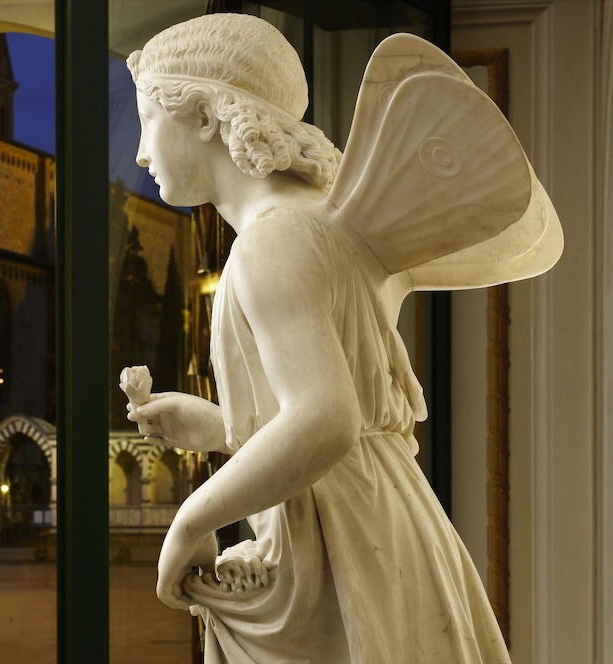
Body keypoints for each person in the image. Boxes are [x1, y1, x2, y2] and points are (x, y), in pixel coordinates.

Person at [121, 13, 561, 663]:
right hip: (386, 527)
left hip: (340, 554)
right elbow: (340, 427)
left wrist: (193, 519)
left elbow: (327, 421)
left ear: (206, 116)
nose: (140, 152)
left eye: (148, 120)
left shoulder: (271, 240)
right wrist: (221, 428)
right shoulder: (329, 229)